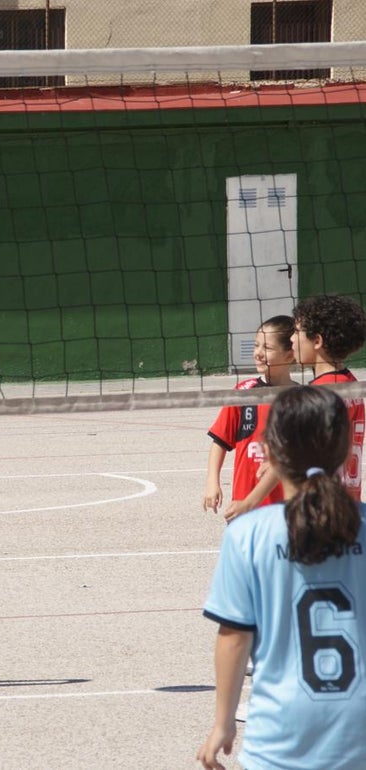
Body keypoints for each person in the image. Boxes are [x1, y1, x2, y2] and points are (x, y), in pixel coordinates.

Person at [196, 385, 366, 770]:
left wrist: (223, 722)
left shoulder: (248, 534)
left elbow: (234, 637)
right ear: (344, 453)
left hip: (282, 731)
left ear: (268, 454)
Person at [225, 294, 366, 520]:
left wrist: (250, 501)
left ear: (317, 341)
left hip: (319, 512)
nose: (291, 339)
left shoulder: (315, 396)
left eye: (297, 332)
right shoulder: (353, 387)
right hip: (348, 505)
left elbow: (290, 456)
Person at [202, 316, 295, 516]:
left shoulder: (302, 398)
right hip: (244, 506)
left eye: (267, 348)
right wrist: (212, 482)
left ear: (289, 356)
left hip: (287, 509)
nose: (258, 353)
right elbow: (219, 442)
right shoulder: (244, 392)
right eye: (256, 346)